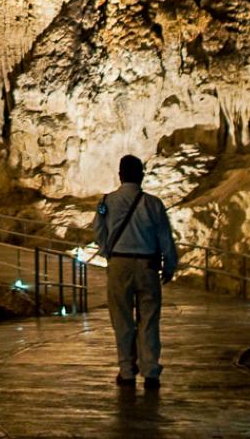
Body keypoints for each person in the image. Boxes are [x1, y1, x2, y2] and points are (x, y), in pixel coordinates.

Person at [94, 154, 177, 389]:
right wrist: (169, 265)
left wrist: (107, 251)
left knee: (122, 319)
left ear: (120, 175)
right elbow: (165, 238)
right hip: (148, 265)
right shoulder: (153, 203)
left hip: (119, 264)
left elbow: (99, 230)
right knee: (149, 319)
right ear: (141, 175)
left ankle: (127, 371)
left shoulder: (105, 202)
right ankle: (151, 371)